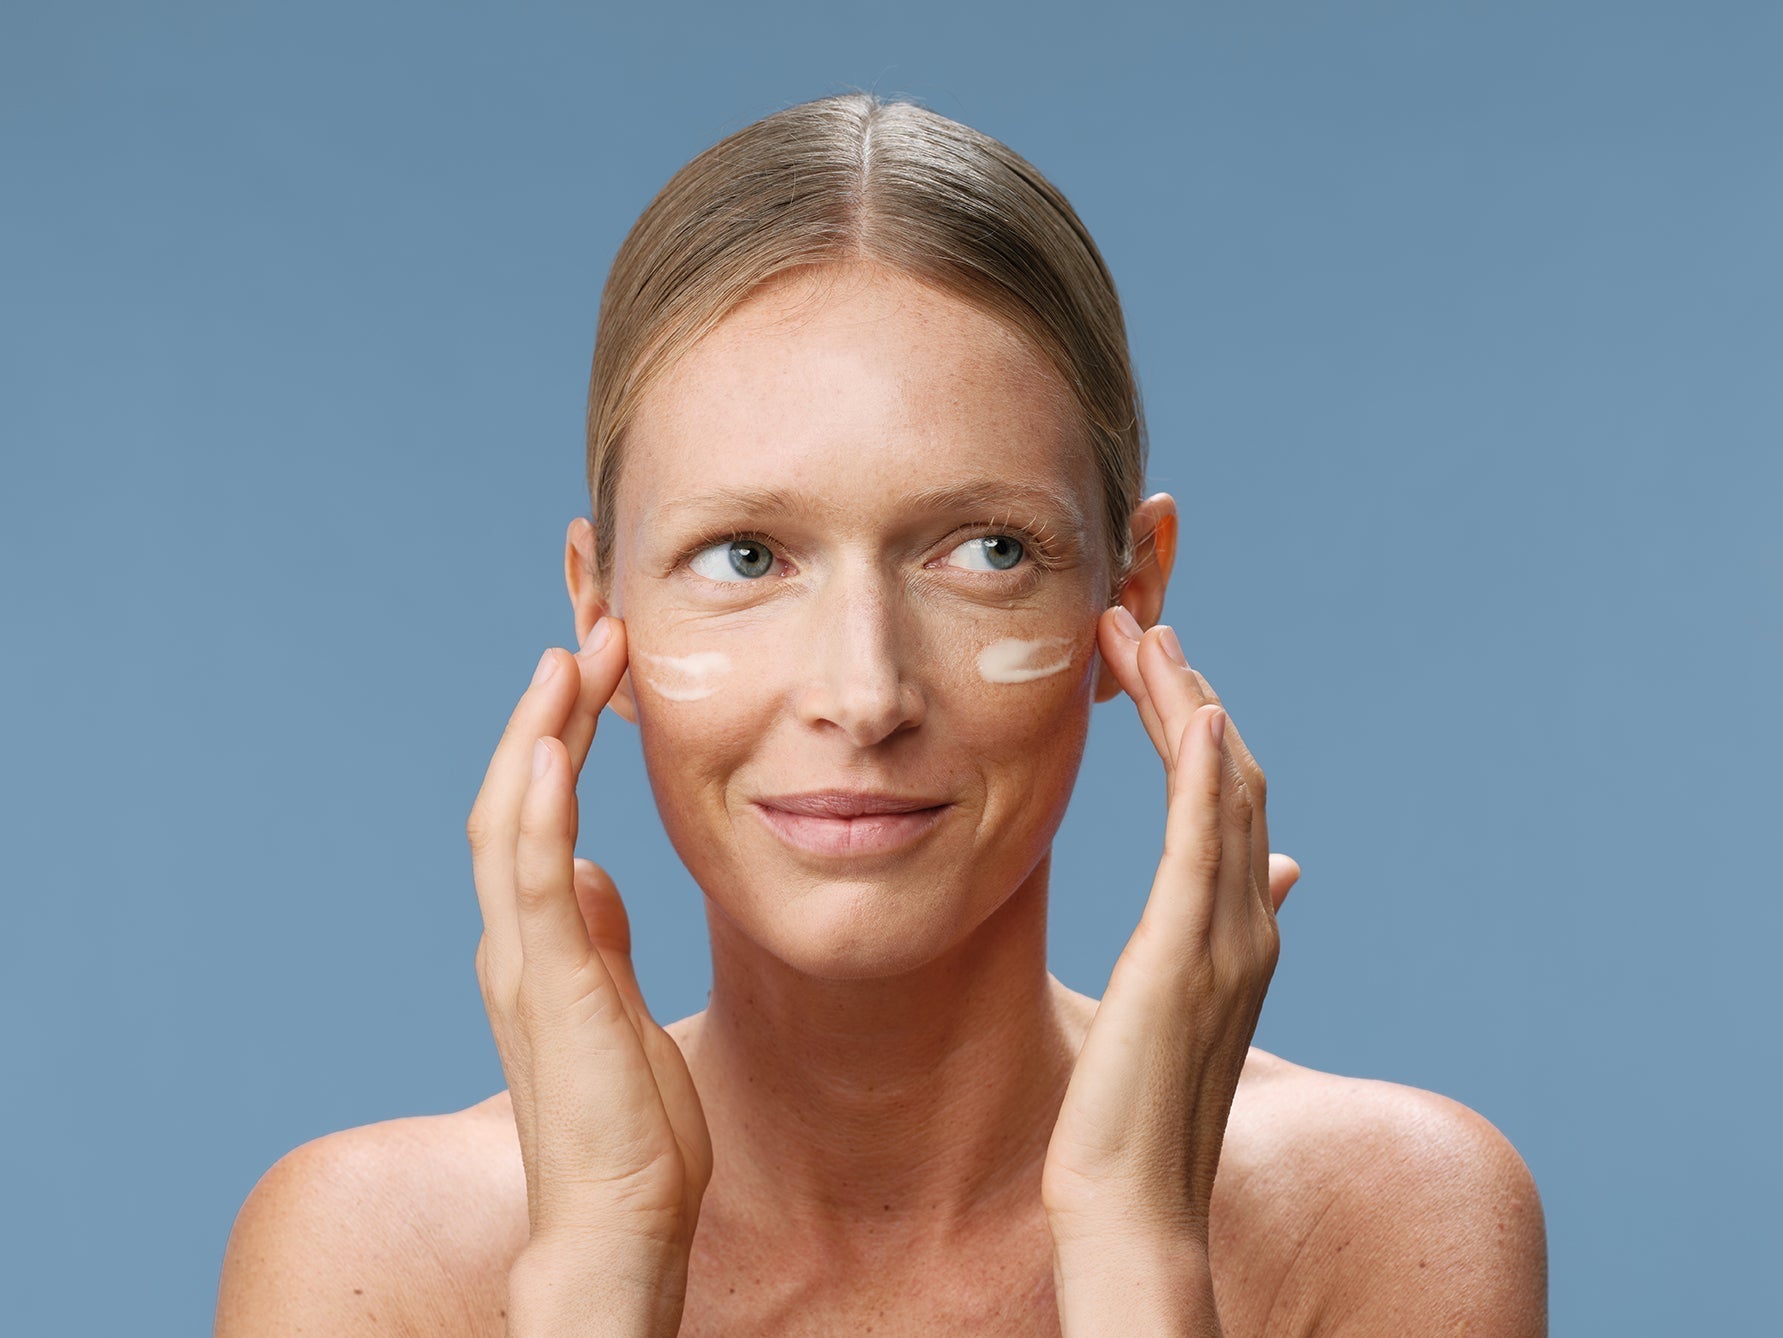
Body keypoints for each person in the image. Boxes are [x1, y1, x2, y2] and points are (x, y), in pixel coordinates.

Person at [215, 92, 1547, 1336]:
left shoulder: (1387, 1218)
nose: (863, 695)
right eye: (745, 555)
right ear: (599, 609)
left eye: (986, 550)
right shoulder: (370, 1255)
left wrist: (1137, 1245)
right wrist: (602, 1258)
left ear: (1129, 594)